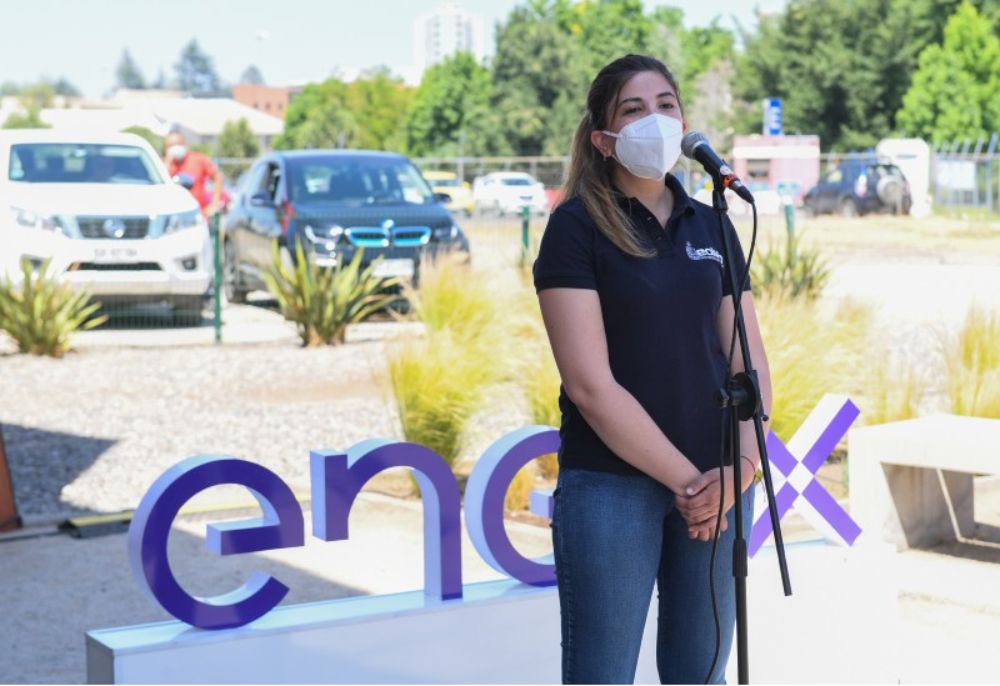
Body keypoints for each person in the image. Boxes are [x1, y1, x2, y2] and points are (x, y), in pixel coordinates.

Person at [533, 54, 772, 684]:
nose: (656, 120)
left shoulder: (713, 223)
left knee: (701, 673)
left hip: (719, 480)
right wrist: (693, 486)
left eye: (666, 105)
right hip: (614, 486)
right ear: (603, 139)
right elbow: (590, 385)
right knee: (603, 675)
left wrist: (742, 470)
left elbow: (750, 364)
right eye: (634, 110)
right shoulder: (575, 227)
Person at [163, 130, 223, 216]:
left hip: (199, 215)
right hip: (173, 216)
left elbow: (217, 177)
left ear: (184, 145)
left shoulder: (198, 159)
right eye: (170, 146)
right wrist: (168, 162)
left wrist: (215, 204)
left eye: (178, 144)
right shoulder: (162, 165)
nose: (175, 148)